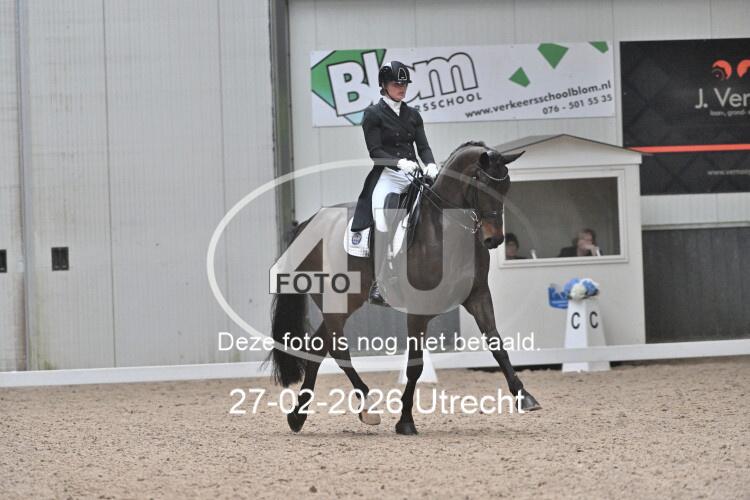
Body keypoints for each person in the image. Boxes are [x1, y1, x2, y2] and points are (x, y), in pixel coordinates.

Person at [351, 60, 438, 305]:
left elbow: (423, 147)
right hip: (388, 176)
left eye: (404, 84)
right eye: (396, 84)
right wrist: (399, 163)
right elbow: (375, 152)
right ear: (384, 85)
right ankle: (379, 282)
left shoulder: (413, 115)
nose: (402, 88)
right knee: (383, 218)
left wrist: (430, 164)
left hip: (414, 176)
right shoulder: (373, 114)